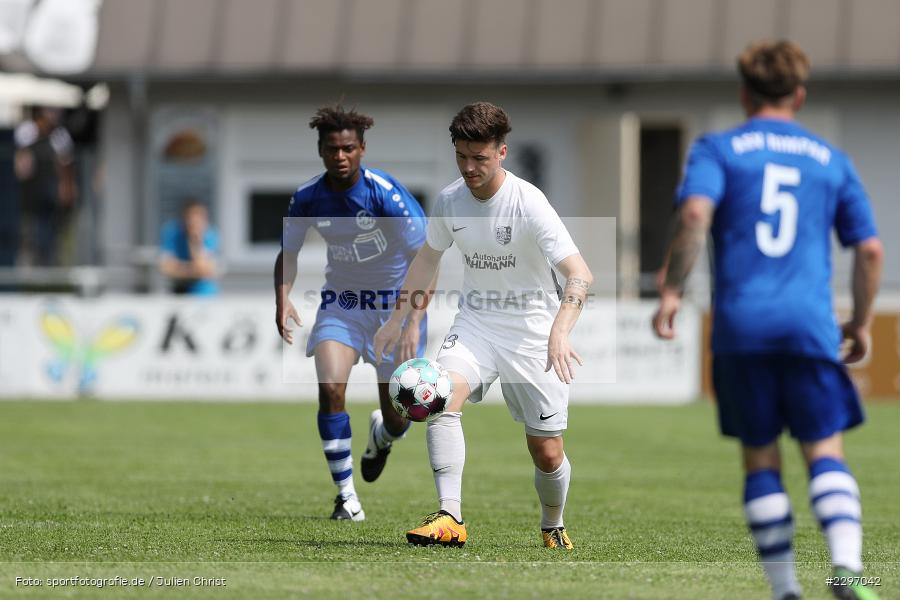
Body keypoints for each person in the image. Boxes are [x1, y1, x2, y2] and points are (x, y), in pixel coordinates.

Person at [652, 41, 883, 600]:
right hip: (809, 325)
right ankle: (846, 570)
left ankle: (785, 591)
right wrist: (862, 323)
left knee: (760, 457)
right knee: (823, 449)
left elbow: (693, 213)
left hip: (741, 327)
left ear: (744, 93)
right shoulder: (830, 159)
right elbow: (870, 250)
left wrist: (673, 291)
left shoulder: (719, 149)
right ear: (799, 95)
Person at [374, 101, 593, 550]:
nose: (470, 167)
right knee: (438, 397)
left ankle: (552, 522)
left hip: (533, 332)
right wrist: (400, 317)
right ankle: (450, 516)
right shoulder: (450, 200)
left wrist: (560, 328)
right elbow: (427, 260)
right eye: (462, 156)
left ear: (502, 153)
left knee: (548, 453)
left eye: (480, 158)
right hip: (476, 323)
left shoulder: (528, 203)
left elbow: (580, 274)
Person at [275, 105, 429, 521]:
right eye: (331, 149)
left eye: (347, 148)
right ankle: (346, 498)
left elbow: (425, 258)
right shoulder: (308, 198)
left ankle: (383, 434)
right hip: (342, 306)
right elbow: (288, 253)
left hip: (392, 311)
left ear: (361, 149)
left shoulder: (384, 193)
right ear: (321, 151)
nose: (339, 156)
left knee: (401, 419)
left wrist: (412, 320)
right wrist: (283, 296)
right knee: (330, 389)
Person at [13, 106, 78, 267]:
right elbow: (21, 164)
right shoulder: (27, 132)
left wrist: (67, 188)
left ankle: (50, 269)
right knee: (32, 236)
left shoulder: (59, 136)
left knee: (52, 237)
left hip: (51, 195)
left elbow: (66, 165)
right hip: (30, 195)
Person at [159, 200, 220, 295]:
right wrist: (195, 271)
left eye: (199, 218)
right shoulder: (172, 233)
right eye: (191, 218)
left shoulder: (210, 235)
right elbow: (166, 268)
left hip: (203, 294)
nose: (194, 222)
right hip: (178, 291)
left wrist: (195, 241)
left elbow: (205, 269)